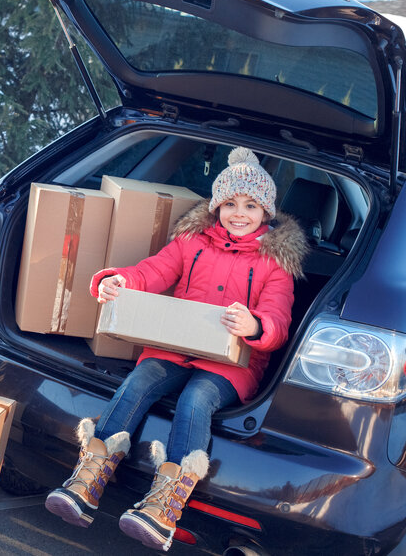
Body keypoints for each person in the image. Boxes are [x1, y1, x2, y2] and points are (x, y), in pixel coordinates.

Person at [44, 147, 309, 551]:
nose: (239, 214)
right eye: (230, 204)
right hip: (173, 348)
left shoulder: (276, 263)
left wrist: (255, 325)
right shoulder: (192, 242)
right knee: (137, 383)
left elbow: (279, 322)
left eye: (251, 205)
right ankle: (87, 481)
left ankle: (164, 508)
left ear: (266, 213)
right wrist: (118, 282)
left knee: (196, 399)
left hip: (234, 365)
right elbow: (153, 271)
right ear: (217, 206)